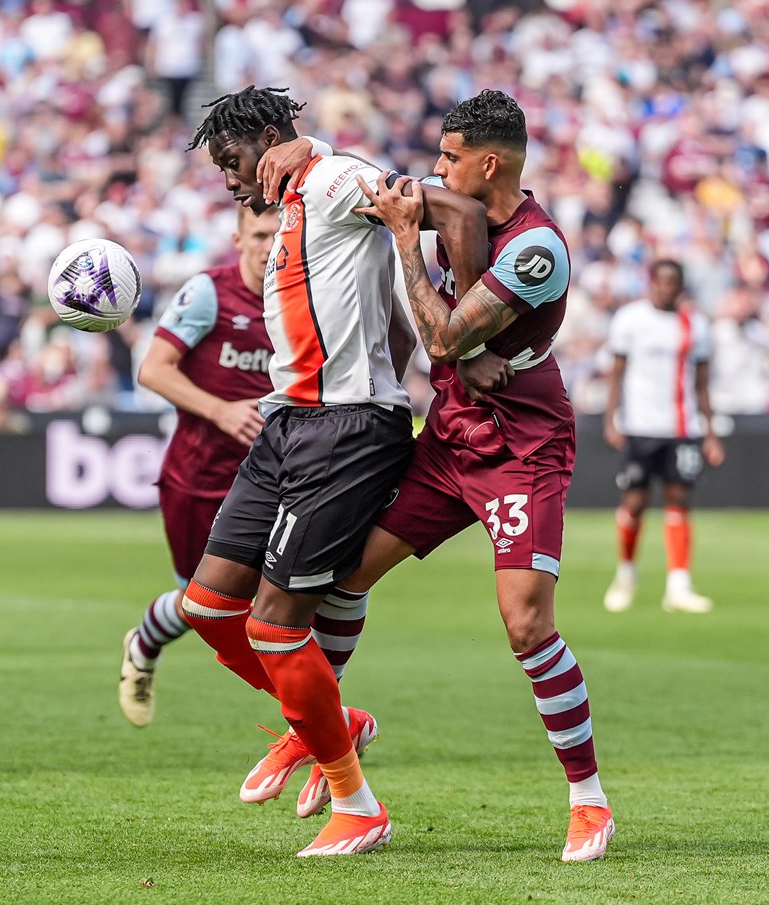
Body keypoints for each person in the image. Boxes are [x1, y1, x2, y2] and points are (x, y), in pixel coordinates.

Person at [254, 89, 615, 862]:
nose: (436, 168)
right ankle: (321, 728)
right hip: (450, 434)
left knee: (525, 624)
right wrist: (309, 146)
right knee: (344, 579)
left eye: (449, 157)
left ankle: (588, 799)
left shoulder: (536, 249)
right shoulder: (457, 208)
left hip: (519, 443)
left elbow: (443, 335)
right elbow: (370, 187)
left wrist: (408, 251)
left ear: (487, 164)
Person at [179, 85, 489, 857]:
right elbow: (383, 316)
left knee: (274, 625)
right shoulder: (293, 202)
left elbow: (458, 212)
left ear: (266, 137)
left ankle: (358, 805)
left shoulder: (332, 180)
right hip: (287, 420)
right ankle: (328, 719)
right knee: (207, 606)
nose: (227, 178)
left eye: (230, 159)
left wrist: (470, 338)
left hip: (344, 428)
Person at [118, 204, 277, 727]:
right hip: (200, 478)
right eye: (259, 235)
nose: (269, 246)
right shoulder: (209, 292)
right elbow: (153, 370)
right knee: (201, 602)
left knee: (288, 597)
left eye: (279, 235)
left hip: (275, 479)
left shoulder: (303, 297)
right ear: (238, 239)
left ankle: (314, 718)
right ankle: (143, 644)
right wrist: (221, 410)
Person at [602, 258, 724, 614]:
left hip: (682, 426)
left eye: (674, 283)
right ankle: (626, 574)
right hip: (640, 426)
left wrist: (711, 432)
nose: (668, 288)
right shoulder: (630, 320)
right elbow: (616, 373)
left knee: (679, 497)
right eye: (663, 281)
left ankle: (679, 585)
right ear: (652, 282)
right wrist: (611, 420)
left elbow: (702, 383)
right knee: (634, 501)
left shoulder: (695, 325)